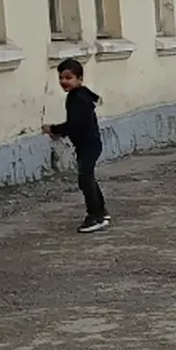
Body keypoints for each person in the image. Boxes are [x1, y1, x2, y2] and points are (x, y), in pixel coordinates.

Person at [44, 58, 109, 233]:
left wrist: (54, 129)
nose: (64, 81)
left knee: (85, 179)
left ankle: (95, 216)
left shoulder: (77, 98)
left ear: (79, 79)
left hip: (88, 144)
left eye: (68, 77)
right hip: (89, 144)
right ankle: (101, 211)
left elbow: (75, 124)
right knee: (88, 177)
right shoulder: (80, 94)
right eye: (61, 78)